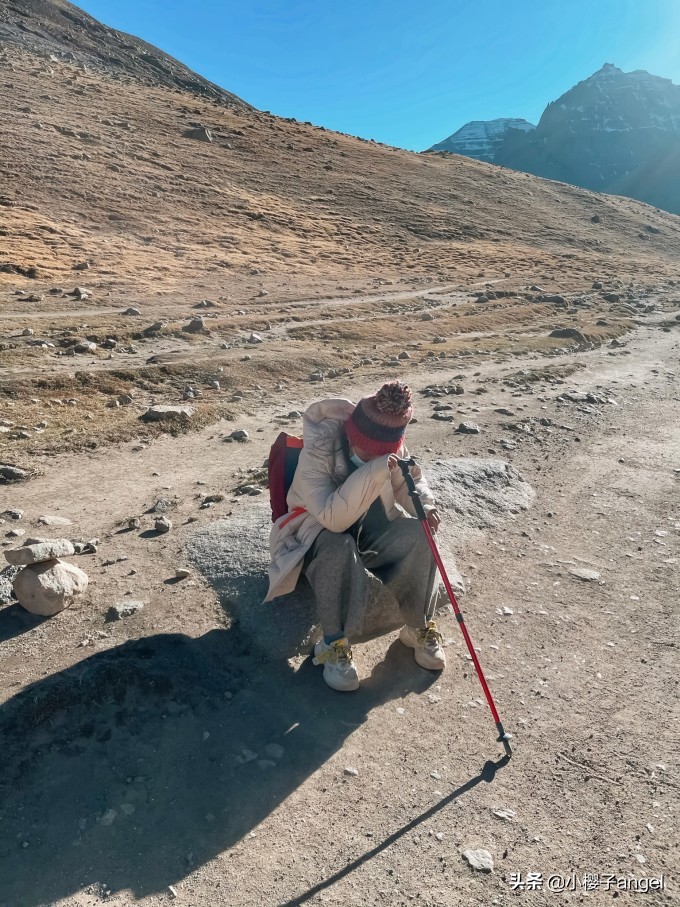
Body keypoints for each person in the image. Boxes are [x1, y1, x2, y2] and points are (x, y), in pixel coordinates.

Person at [265, 380, 445, 691]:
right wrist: (375, 469)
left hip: (370, 533)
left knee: (420, 534)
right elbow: (332, 518)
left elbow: (410, 481)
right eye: (366, 451)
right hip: (314, 536)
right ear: (352, 434)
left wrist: (425, 506)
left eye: (386, 454)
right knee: (339, 544)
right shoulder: (318, 451)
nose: (373, 456)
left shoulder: (393, 448)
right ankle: (334, 644)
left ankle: (417, 626)